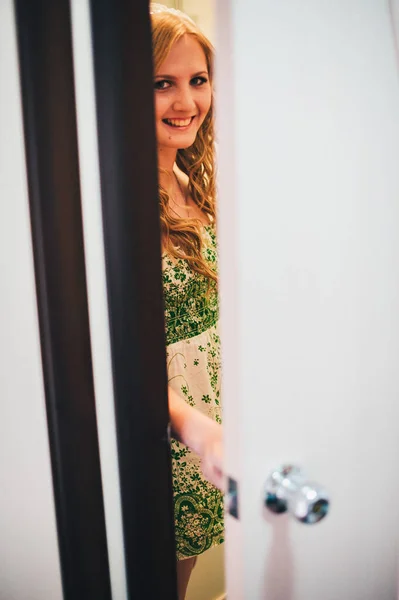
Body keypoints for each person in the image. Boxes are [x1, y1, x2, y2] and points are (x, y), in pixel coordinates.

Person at [150, 4, 224, 598]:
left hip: (211, 431)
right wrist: (194, 429)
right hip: (171, 435)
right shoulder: (118, 203)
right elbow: (123, 352)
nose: (186, 103)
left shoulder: (191, 178)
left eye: (197, 80)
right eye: (163, 84)